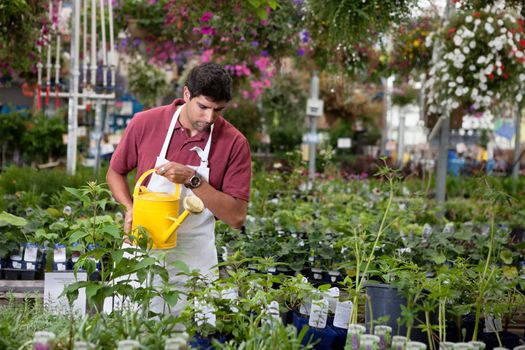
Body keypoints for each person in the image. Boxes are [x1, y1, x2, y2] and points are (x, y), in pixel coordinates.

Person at [106, 62, 251, 311]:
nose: (209, 118)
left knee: (188, 334)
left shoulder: (234, 142)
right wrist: (130, 209)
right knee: (125, 322)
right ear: (186, 95)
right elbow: (115, 172)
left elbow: (236, 217)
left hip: (194, 256)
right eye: (203, 107)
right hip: (142, 246)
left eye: (218, 110)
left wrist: (193, 180)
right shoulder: (146, 123)